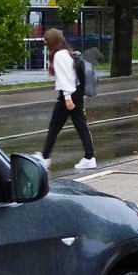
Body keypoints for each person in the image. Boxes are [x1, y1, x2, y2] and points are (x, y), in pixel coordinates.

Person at [34, 28, 96, 170]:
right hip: (76, 92)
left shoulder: (59, 56)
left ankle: (45, 157)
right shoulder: (66, 53)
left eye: (46, 40)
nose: (44, 42)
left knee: (55, 126)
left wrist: (67, 98)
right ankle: (89, 156)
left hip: (68, 94)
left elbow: (65, 78)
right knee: (80, 125)